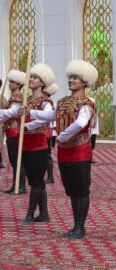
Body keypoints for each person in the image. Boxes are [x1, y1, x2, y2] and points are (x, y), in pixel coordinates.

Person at [28, 60, 98, 239]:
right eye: (70, 77)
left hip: (80, 151)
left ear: (84, 82)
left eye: (75, 77)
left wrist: (61, 136)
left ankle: (80, 227)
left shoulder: (86, 104)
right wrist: (30, 114)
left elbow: (81, 123)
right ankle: (75, 225)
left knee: (81, 190)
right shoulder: (63, 102)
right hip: (65, 153)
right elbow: (51, 115)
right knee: (72, 190)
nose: (71, 80)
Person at [20, 64, 57, 224]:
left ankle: (29, 214)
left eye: (35, 78)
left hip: (39, 145)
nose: (32, 80)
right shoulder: (26, 100)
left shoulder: (46, 101)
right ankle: (43, 214)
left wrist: (27, 124)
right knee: (36, 181)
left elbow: (48, 117)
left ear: (42, 83)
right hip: (26, 144)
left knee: (36, 182)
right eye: (32, 77)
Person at [1, 70, 27, 194]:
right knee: (13, 161)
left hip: (15, 132)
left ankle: (20, 186)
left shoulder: (17, 97)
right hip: (10, 131)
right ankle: (15, 185)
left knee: (17, 160)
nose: (10, 84)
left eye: (13, 82)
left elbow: (11, 112)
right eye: (10, 81)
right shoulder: (13, 97)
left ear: (19, 84)